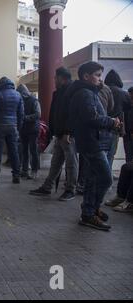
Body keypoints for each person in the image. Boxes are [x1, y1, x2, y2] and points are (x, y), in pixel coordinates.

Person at [68, 61, 121, 231]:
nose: (100, 79)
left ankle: (89, 212)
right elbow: (92, 118)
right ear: (86, 76)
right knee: (106, 178)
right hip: (92, 142)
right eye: (97, 75)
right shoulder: (85, 93)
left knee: (92, 179)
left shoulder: (88, 91)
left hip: (92, 141)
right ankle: (90, 211)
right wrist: (111, 122)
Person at [30, 67, 78, 200]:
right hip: (59, 134)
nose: (54, 80)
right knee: (56, 162)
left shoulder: (73, 91)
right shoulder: (58, 92)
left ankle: (70, 189)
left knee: (71, 163)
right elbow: (55, 112)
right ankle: (47, 186)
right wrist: (53, 131)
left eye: (55, 78)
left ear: (62, 78)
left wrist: (68, 131)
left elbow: (73, 114)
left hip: (68, 135)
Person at [0, 77, 24, 184]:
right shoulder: (18, 95)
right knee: (14, 151)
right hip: (13, 126)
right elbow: (21, 114)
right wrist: (18, 127)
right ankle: (16, 175)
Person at [105, 70, 131, 169]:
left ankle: (103, 176)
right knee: (111, 153)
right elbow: (128, 107)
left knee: (103, 154)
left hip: (103, 125)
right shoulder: (123, 93)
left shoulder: (103, 90)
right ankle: (108, 176)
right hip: (116, 126)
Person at [17, 84, 41, 180]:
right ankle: (25, 170)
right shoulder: (20, 101)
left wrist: (25, 118)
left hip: (33, 130)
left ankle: (34, 170)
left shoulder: (34, 101)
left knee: (33, 151)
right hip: (24, 129)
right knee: (24, 151)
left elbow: (38, 114)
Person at [124, 87, 133, 162]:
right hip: (127, 134)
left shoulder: (127, 107)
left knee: (129, 155)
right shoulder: (127, 106)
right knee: (128, 155)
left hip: (128, 134)